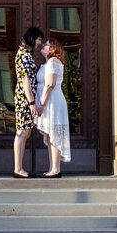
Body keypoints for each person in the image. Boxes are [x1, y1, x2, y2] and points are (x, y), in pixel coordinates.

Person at [33, 38, 71, 177]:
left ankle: (56, 169)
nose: (44, 46)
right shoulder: (47, 63)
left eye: (47, 44)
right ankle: (52, 168)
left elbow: (50, 84)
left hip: (53, 101)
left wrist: (41, 104)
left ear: (53, 48)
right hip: (47, 100)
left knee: (54, 133)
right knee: (50, 135)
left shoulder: (53, 61)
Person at [11, 25, 45, 178]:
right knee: (22, 132)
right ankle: (18, 169)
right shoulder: (24, 55)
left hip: (25, 98)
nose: (40, 43)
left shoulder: (25, 54)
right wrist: (31, 102)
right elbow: (25, 80)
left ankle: (19, 168)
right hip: (25, 99)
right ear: (32, 38)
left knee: (25, 131)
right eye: (39, 39)